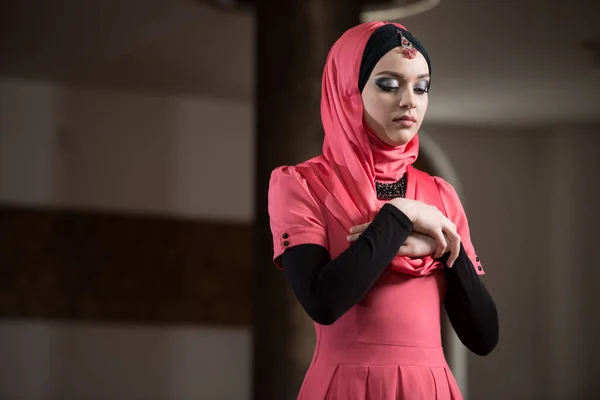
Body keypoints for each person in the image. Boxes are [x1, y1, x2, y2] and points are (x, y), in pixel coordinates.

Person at [268, 21, 499, 400]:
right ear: (348, 92)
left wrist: (443, 246)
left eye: (421, 87)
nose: (409, 100)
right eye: (389, 85)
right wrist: (402, 214)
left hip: (432, 389)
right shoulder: (300, 184)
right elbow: (324, 302)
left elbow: (484, 336)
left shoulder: (440, 196)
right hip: (346, 388)